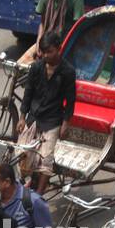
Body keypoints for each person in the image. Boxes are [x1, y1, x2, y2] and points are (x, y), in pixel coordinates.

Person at [17, 31, 75, 195]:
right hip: (34, 117)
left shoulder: (68, 72)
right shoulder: (36, 67)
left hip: (53, 119)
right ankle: (28, 182)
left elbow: (70, 101)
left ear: (59, 49)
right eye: (43, 52)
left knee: (46, 158)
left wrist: (65, 124)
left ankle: (39, 194)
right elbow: (28, 94)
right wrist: (22, 117)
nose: (46, 55)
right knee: (23, 154)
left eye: (50, 51)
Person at [19, 0, 83, 65]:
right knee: (20, 67)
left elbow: (77, 28)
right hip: (46, 42)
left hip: (66, 44)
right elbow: (43, 23)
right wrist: (38, 43)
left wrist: (61, 48)